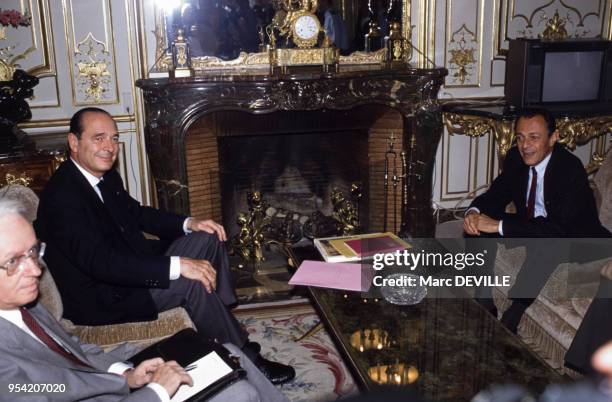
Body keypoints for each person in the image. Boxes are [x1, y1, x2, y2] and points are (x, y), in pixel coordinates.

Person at [34, 107, 294, 385]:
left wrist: (189, 222)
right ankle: (243, 357)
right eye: (99, 138)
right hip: (104, 296)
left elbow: (137, 214)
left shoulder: (104, 175)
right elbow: (101, 263)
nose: (109, 147)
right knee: (191, 282)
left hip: (130, 265)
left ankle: (221, 316)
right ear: (74, 142)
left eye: (114, 138)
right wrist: (178, 265)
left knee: (208, 237)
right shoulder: (62, 197)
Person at [0, 199, 288, 402]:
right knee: (241, 393)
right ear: (74, 143)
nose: (37, 270)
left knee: (223, 353)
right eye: (14, 261)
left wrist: (125, 373)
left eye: (34, 252)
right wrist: (157, 392)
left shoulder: (27, 305)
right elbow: (53, 391)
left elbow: (73, 349)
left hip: (118, 382)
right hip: (109, 307)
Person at [463, 107, 610, 333]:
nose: (525, 146)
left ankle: (514, 313)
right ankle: (484, 300)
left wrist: (499, 225)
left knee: (547, 244)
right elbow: (497, 193)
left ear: (553, 138)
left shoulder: (569, 169)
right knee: (481, 222)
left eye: (534, 137)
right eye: (520, 138)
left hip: (578, 239)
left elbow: (557, 230)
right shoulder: (515, 157)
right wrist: (474, 213)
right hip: (536, 225)